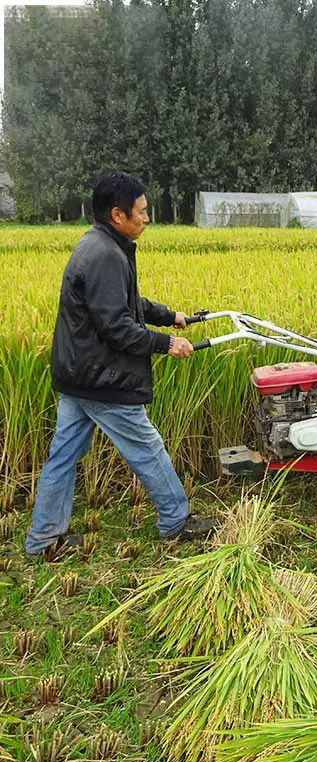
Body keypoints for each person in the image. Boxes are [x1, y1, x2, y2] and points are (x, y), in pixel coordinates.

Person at [24, 172, 216, 560]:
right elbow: (117, 328)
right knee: (147, 447)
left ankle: (43, 539)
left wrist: (169, 315)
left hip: (79, 374)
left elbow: (126, 302)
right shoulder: (105, 255)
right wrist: (167, 344)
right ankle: (177, 522)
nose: (147, 218)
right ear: (118, 214)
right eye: (142, 212)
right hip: (101, 376)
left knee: (63, 455)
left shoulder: (103, 244)